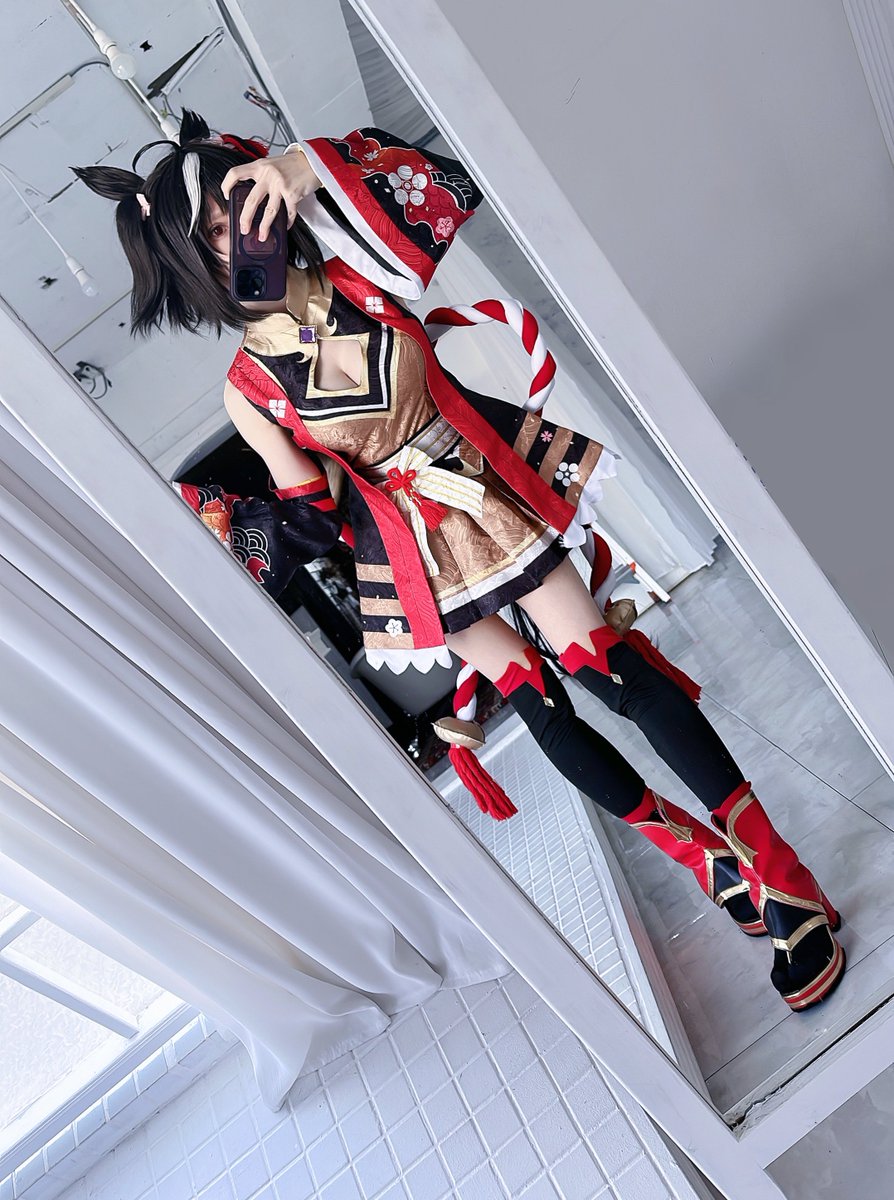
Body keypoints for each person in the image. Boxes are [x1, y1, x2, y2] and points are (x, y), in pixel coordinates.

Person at [75, 110, 845, 1012]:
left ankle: (782, 876)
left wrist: (303, 166)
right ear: (182, 262)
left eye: (234, 211)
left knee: (608, 668)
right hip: (403, 548)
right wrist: (238, 533)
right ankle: (710, 863)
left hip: (484, 485)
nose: (232, 238)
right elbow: (311, 518)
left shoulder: (359, 263)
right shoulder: (249, 391)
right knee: (539, 702)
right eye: (208, 234)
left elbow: (445, 182)